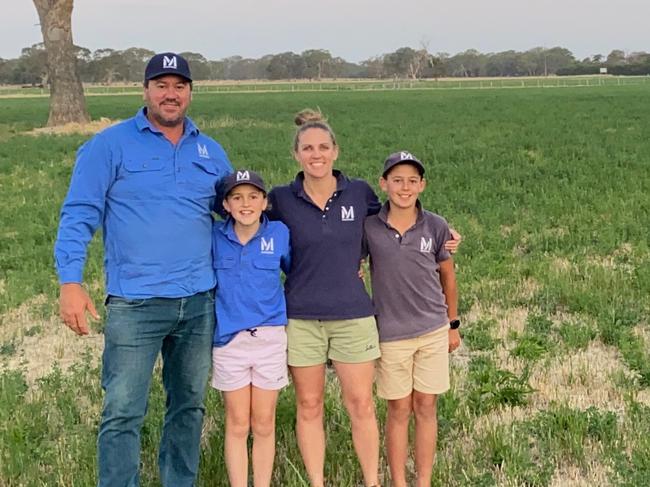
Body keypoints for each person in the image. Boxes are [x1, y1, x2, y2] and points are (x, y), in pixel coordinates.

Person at [54, 52, 233, 487]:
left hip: (197, 301)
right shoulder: (109, 145)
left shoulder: (210, 150)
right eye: (161, 85)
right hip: (136, 302)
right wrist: (70, 281)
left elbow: (238, 216)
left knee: (189, 405)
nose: (170, 94)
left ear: (190, 93)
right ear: (145, 91)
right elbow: (79, 213)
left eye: (179, 86)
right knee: (122, 409)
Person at [363, 151, 461, 487]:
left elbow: (448, 277)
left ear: (422, 185)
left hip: (433, 329)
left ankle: (424, 480)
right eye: (397, 180)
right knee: (398, 409)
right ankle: (399, 481)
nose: (405, 188)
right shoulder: (370, 226)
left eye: (412, 181)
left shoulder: (435, 225)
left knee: (426, 406)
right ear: (384, 183)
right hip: (391, 333)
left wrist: (453, 324)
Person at [211, 170, 291, 487]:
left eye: (253, 196)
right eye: (237, 197)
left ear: (265, 202)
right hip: (229, 340)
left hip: (270, 337)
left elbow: (297, 268)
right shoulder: (215, 236)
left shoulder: (280, 234)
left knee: (264, 421)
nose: (246, 204)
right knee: (237, 422)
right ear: (226, 205)